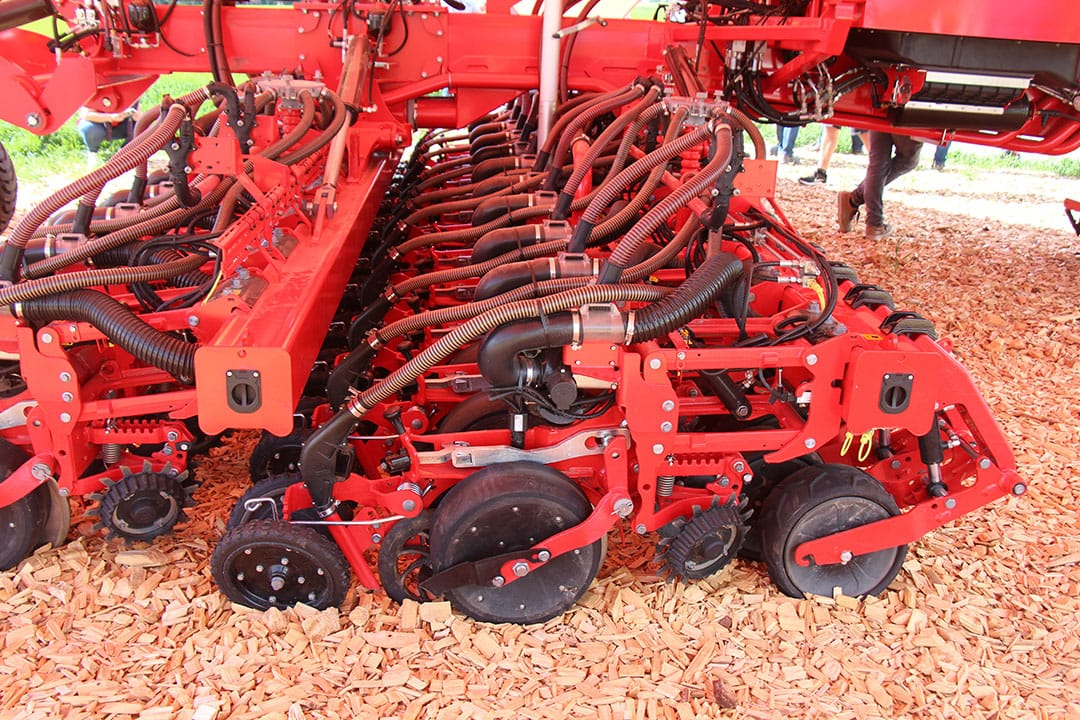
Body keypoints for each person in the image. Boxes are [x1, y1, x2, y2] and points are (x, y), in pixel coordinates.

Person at [837, 130, 922, 240]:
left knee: (878, 162)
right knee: (908, 160)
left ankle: (873, 222)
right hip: (906, 116)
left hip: (878, 113)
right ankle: (865, 213)